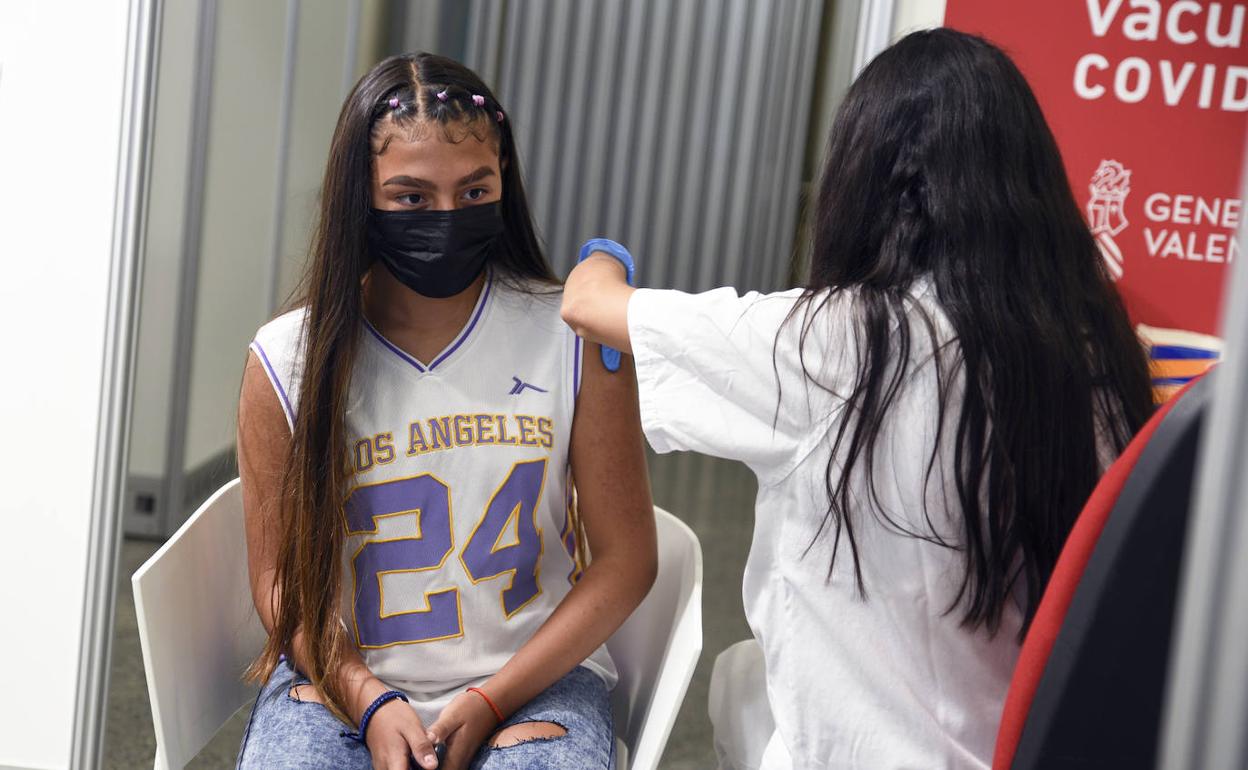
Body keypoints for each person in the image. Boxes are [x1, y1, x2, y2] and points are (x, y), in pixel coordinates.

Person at [561, 28, 1154, 770]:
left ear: (865, 180)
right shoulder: (1096, 350)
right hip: (1033, 748)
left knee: (744, 684)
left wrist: (601, 259)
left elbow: (591, 306)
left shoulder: (842, 344)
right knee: (747, 684)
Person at [235, 52, 656, 770]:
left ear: (504, 186)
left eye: (473, 191)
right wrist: (366, 697)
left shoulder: (574, 338)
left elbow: (628, 561)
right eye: (410, 197)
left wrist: (492, 699)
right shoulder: (286, 360)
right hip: (345, 685)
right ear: (359, 200)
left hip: (533, 682)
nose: (446, 217)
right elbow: (279, 582)